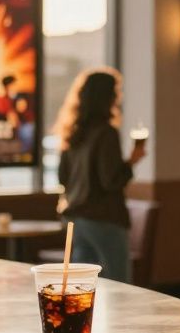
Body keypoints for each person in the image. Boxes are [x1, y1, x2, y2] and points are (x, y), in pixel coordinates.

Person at [53, 68, 145, 282]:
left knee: (82, 285)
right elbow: (111, 181)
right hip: (104, 218)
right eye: (116, 91)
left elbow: (62, 177)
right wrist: (132, 161)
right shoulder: (106, 132)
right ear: (108, 96)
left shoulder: (73, 133)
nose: (118, 96)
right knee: (120, 284)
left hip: (76, 217)